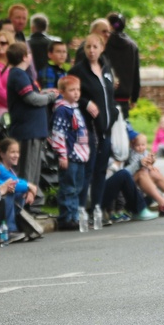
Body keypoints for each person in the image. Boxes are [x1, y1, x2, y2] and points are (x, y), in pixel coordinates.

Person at [68, 33, 119, 212]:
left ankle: (96, 207)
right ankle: (81, 207)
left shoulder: (106, 69)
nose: (91, 51)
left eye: (95, 47)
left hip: (105, 127)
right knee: (88, 169)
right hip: (87, 128)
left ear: (101, 48)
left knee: (101, 170)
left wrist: (112, 115)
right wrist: (86, 103)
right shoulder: (78, 71)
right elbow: (68, 93)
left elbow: (110, 97)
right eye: (88, 47)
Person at [5, 42, 58, 208]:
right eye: (28, 53)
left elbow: (34, 94)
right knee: (27, 170)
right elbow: (31, 99)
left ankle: (32, 204)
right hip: (27, 130)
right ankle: (24, 206)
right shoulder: (18, 75)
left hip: (34, 130)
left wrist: (45, 93)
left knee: (34, 169)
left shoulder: (22, 75)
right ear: (24, 56)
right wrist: (50, 98)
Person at [48, 75, 91, 231]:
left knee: (77, 187)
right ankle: (66, 218)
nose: (76, 93)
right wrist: (62, 154)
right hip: (69, 156)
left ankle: (74, 216)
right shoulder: (62, 110)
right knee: (68, 187)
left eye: (78, 90)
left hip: (80, 155)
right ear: (62, 92)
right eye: (72, 90)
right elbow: (58, 134)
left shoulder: (75, 109)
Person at [104, 12, 141, 118]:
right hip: (124, 96)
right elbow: (135, 73)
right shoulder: (132, 46)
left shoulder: (103, 44)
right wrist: (134, 97)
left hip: (106, 94)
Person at [0, 139, 28, 243]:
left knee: (17, 192)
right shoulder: (0, 166)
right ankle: (8, 230)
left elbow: (16, 182)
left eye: (18, 152)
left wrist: (28, 187)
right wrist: (2, 190)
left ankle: (13, 226)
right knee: (9, 193)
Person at [0, 29, 12, 117]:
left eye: (3, 43)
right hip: (0, 110)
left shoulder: (13, 64)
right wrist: (14, 103)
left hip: (14, 109)